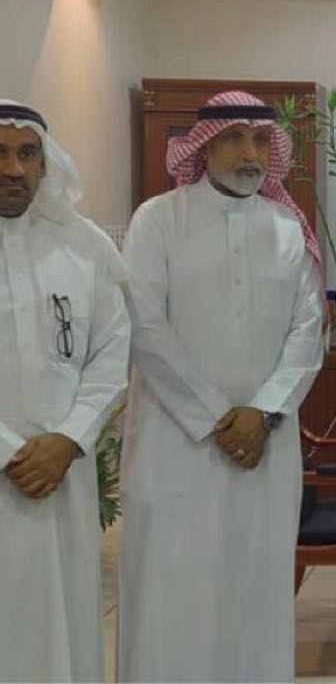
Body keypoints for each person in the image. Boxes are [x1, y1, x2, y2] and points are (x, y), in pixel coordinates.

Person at [119, 90, 324, 682]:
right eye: (234, 138)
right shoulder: (159, 219)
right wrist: (216, 416)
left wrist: (264, 413)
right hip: (174, 446)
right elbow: (145, 326)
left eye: (260, 140)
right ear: (203, 147)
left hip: (265, 448)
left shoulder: (288, 228)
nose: (250, 153)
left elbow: (308, 331)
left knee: (255, 589)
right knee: (171, 589)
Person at [0, 100, 130, 682]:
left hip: (64, 476)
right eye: (0, 153)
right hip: (15, 473)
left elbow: (112, 350)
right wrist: (12, 452)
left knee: (66, 627)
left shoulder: (81, 247)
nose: (13, 168)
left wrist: (70, 438)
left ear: (45, 163)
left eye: (27, 153)